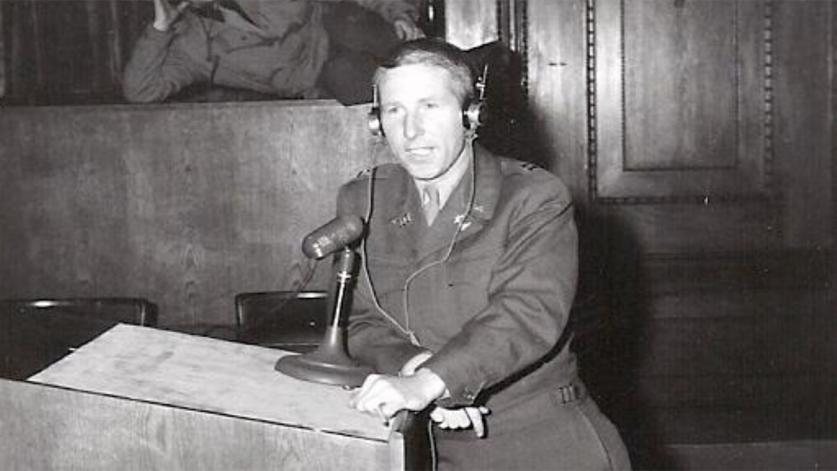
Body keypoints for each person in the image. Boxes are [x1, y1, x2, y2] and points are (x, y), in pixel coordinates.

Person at [339, 38, 631, 470]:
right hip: (424, 445)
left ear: (471, 114)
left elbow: (527, 313)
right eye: (394, 110)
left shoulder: (533, 197)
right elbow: (359, 318)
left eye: (429, 107)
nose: (410, 130)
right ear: (376, 122)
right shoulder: (364, 199)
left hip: (539, 443)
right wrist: (416, 367)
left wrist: (433, 381)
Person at [122, 0, 424, 103]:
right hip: (320, 79)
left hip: (338, 30)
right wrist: (160, 28)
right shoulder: (189, 47)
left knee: (357, 28)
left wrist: (399, 14)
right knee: (349, 75)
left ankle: (445, 67)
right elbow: (140, 90)